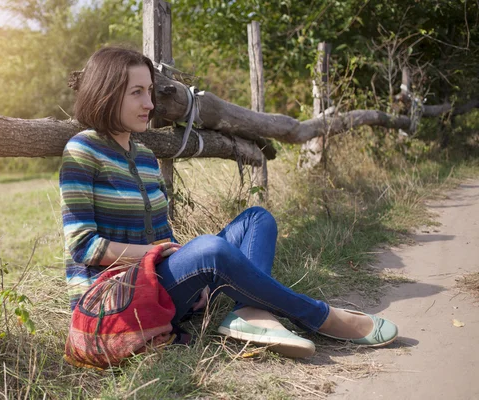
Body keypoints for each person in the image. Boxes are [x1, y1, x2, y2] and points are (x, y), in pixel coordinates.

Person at [60, 47, 398, 358]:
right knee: (209, 249)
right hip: (115, 300)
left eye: (149, 91)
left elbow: (163, 236)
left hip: (158, 284)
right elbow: (83, 247)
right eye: (137, 93)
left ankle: (250, 312)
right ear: (106, 93)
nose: (149, 103)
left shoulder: (145, 157)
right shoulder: (83, 151)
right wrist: (164, 255)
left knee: (256, 219)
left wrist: (185, 271)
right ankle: (321, 318)